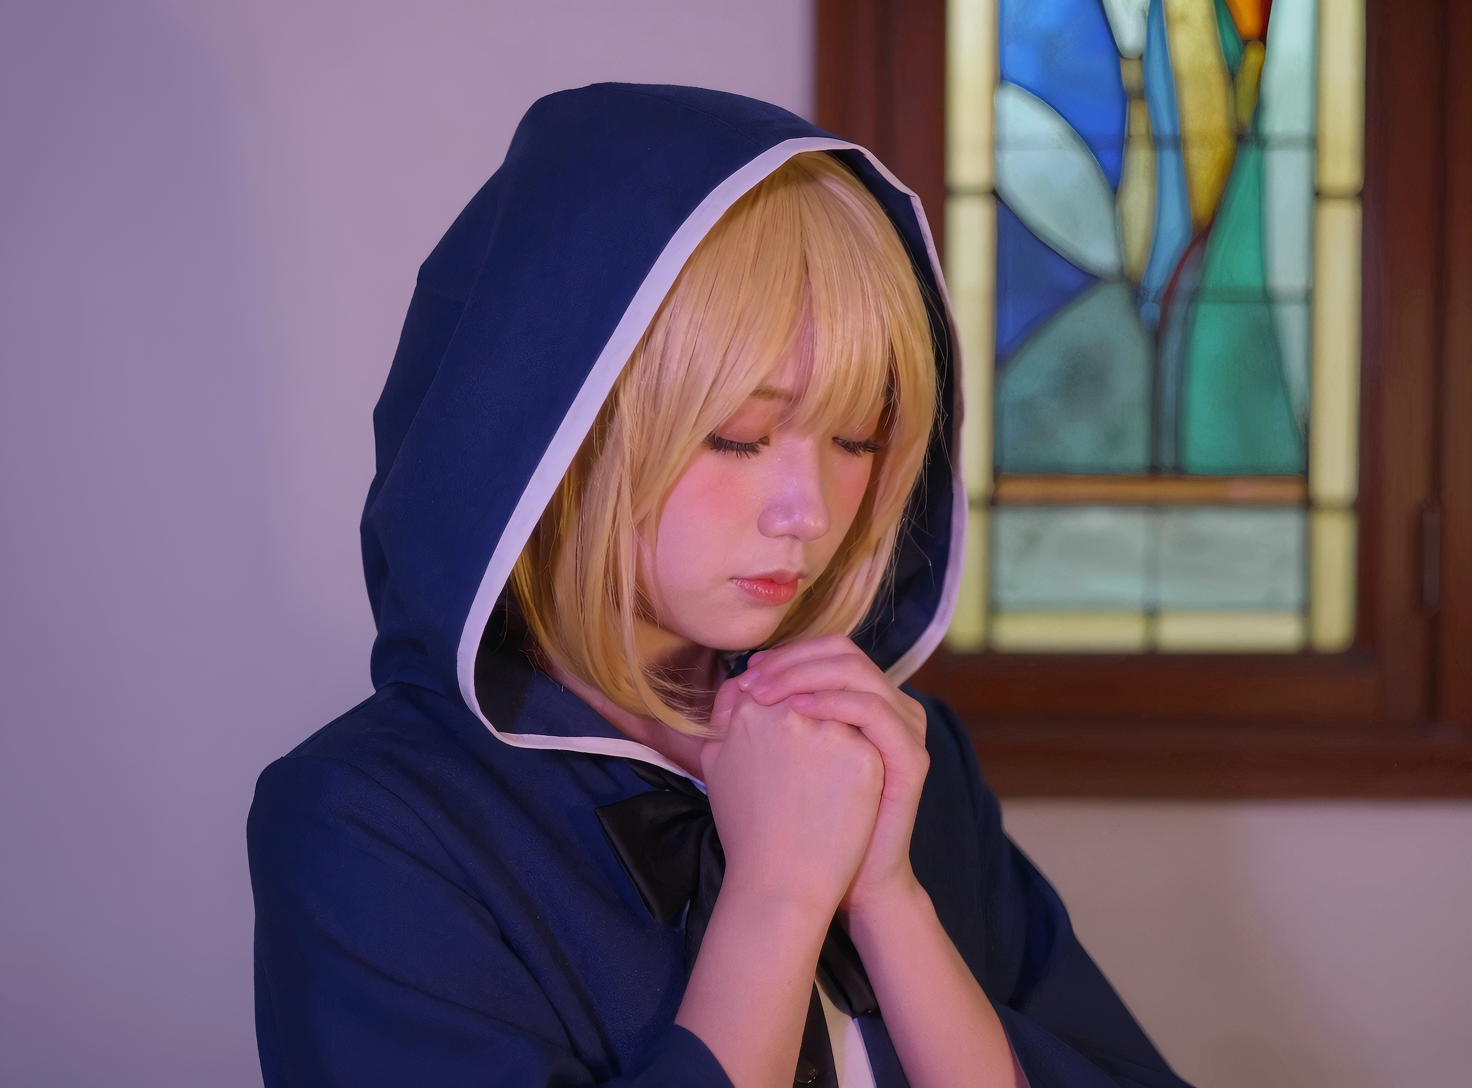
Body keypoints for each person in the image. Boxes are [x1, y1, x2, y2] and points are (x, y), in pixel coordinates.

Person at [248, 84, 1193, 1088]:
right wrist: (778, 896)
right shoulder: (366, 824)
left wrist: (889, 900)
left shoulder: (899, 754)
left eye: (856, 437)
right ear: (556, 430)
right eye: (739, 436)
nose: (809, 512)